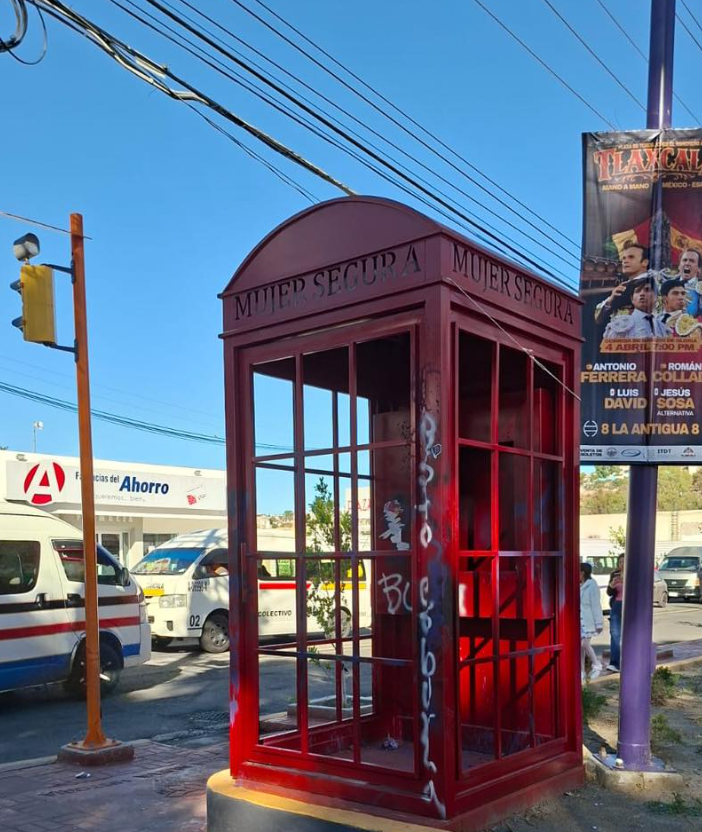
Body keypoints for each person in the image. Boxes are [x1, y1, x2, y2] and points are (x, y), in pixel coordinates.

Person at [595, 241, 650, 325]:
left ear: (644, 262)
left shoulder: (654, 282)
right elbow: (597, 318)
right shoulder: (621, 286)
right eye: (623, 258)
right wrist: (611, 300)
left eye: (631, 257)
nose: (625, 261)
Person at [601, 274, 667, 339]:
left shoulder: (661, 326)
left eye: (647, 290)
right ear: (632, 299)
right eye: (637, 291)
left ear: (656, 297)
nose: (642, 294)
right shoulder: (620, 325)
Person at [580, 562, 603, 682]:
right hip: (580, 620)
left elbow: (596, 605)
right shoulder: (578, 585)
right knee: (580, 647)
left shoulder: (592, 585)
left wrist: (599, 623)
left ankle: (596, 664)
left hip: (589, 621)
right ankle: (582, 671)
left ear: (582, 572)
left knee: (584, 644)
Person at [606, 555, 624, 672]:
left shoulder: (634, 573)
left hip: (630, 606)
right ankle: (615, 663)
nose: (622, 564)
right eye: (620, 562)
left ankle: (629, 660)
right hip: (617, 604)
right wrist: (611, 585)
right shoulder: (615, 574)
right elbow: (609, 592)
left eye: (624, 562)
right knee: (615, 633)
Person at [678, 248, 702, 317]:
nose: (687, 263)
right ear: (679, 266)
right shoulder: (667, 285)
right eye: (684, 260)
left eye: (692, 261)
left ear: (699, 269)